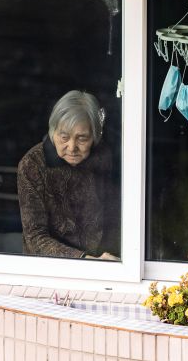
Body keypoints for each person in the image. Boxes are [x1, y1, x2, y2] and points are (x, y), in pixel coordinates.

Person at [17, 90, 120, 260]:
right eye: (64, 137)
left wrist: (112, 255)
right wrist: (83, 259)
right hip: (50, 266)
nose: (72, 147)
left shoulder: (103, 156)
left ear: (95, 137)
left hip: (102, 261)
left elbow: (114, 215)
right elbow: (34, 237)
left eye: (82, 139)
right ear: (53, 132)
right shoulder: (32, 165)